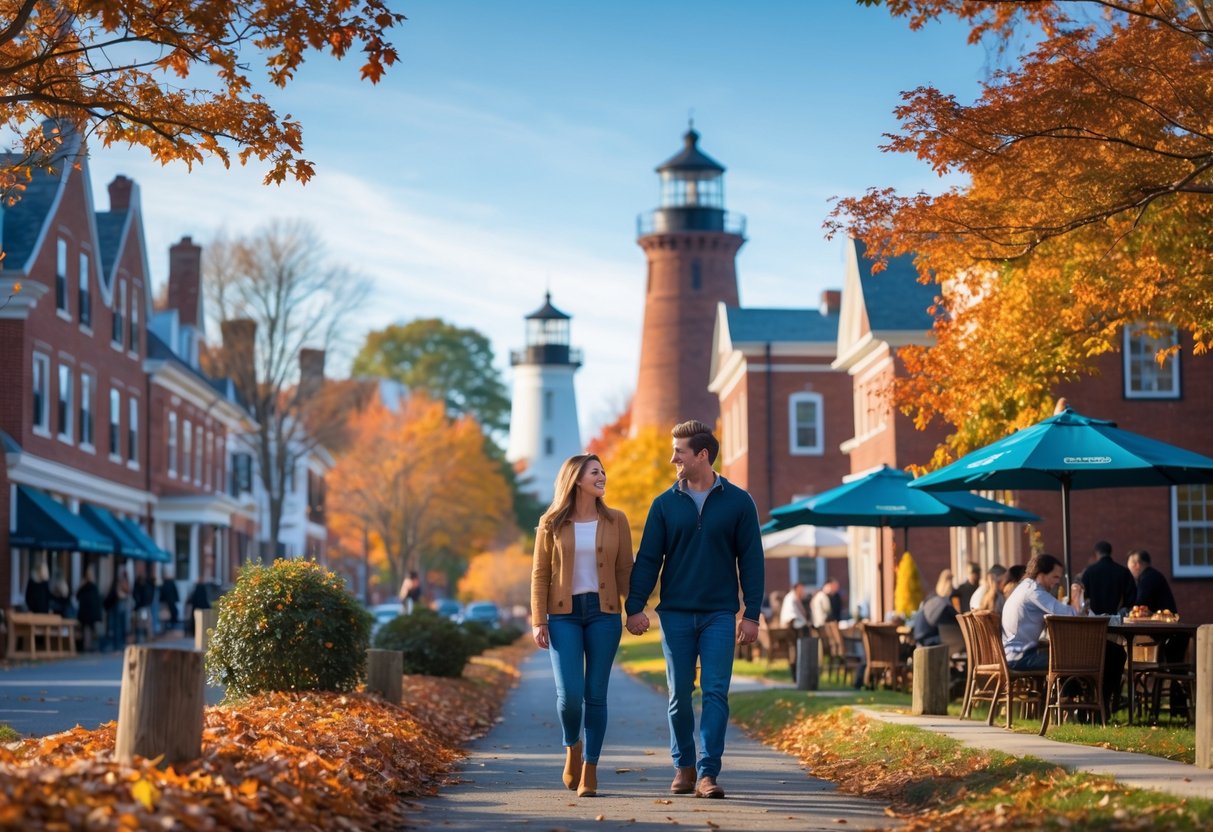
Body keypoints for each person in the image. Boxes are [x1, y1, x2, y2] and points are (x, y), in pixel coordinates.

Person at [624, 420, 764, 801]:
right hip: (677, 614)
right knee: (678, 695)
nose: (673, 459)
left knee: (716, 693)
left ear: (702, 455)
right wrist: (634, 606)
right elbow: (649, 559)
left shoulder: (739, 502)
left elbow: (752, 560)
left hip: (720, 613)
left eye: (679, 452)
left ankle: (707, 773)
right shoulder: (665, 504)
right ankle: (683, 764)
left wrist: (751, 613)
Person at [531, 453, 633, 799]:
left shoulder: (617, 520)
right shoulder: (551, 522)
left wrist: (633, 610)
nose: (603, 476)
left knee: (596, 695)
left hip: (604, 614)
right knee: (570, 696)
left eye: (603, 470)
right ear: (576, 479)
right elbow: (540, 574)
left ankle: (590, 766)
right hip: (563, 615)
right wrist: (538, 619)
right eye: (595, 472)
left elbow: (625, 571)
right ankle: (572, 744)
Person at [1003, 553, 1124, 714]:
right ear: (1041, 575)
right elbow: (1069, 614)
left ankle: (1084, 706)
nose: (1056, 582)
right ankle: (1098, 708)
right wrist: (1076, 598)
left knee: (1085, 655)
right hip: (1022, 657)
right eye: (1054, 577)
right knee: (1111, 653)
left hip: (1017, 653)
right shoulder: (1034, 591)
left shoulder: (1024, 587)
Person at [1127, 549, 1187, 717]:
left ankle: (1168, 709)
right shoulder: (1154, 576)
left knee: (1171, 671)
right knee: (1176, 673)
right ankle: (1177, 709)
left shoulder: (1147, 578)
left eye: (1130, 566)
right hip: (1173, 635)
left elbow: (1138, 603)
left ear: (1137, 564)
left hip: (1170, 636)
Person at [1081, 540, 1136, 615]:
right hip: (1117, 617)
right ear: (1110, 552)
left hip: (1095, 618)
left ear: (1096, 553)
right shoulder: (1123, 572)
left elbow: (1083, 595)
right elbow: (1132, 596)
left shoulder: (1089, 572)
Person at [911, 570, 959, 646]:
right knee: (959, 638)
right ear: (949, 586)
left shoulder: (930, 598)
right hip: (928, 638)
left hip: (919, 636)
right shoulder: (944, 603)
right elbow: (956, 619)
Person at [76, 566, 103, 652]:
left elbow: (78, 596)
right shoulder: (93, 587)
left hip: (85, 613)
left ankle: (87, 646)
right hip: (90, 613)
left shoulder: (85, 587)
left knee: (86, 629)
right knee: (90, 629)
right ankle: (90, 646)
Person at [104, 571, 131, 652]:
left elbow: (126, 592)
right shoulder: (117, 584)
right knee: (118, 628)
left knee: (121, 627)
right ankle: (117, 646)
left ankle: (120, 645)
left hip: (120, 608)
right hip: (117, 608)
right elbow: (119, 594)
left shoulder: (122, 583)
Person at [132, 569, 155, 643]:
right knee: (141, 623)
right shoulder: (140, 585)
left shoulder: (145, 585)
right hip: (141, 607)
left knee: (143, 623)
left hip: (143, 607)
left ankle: (144, 638)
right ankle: (141, 638)